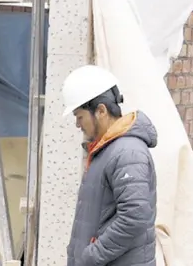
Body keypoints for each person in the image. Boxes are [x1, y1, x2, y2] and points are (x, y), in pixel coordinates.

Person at [63, 65, 158, 266]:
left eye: (79, 116)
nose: (78, 125)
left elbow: (134, 217)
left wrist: (90, 256)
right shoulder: (108, 150)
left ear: (101, 111)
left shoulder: (128, 153)